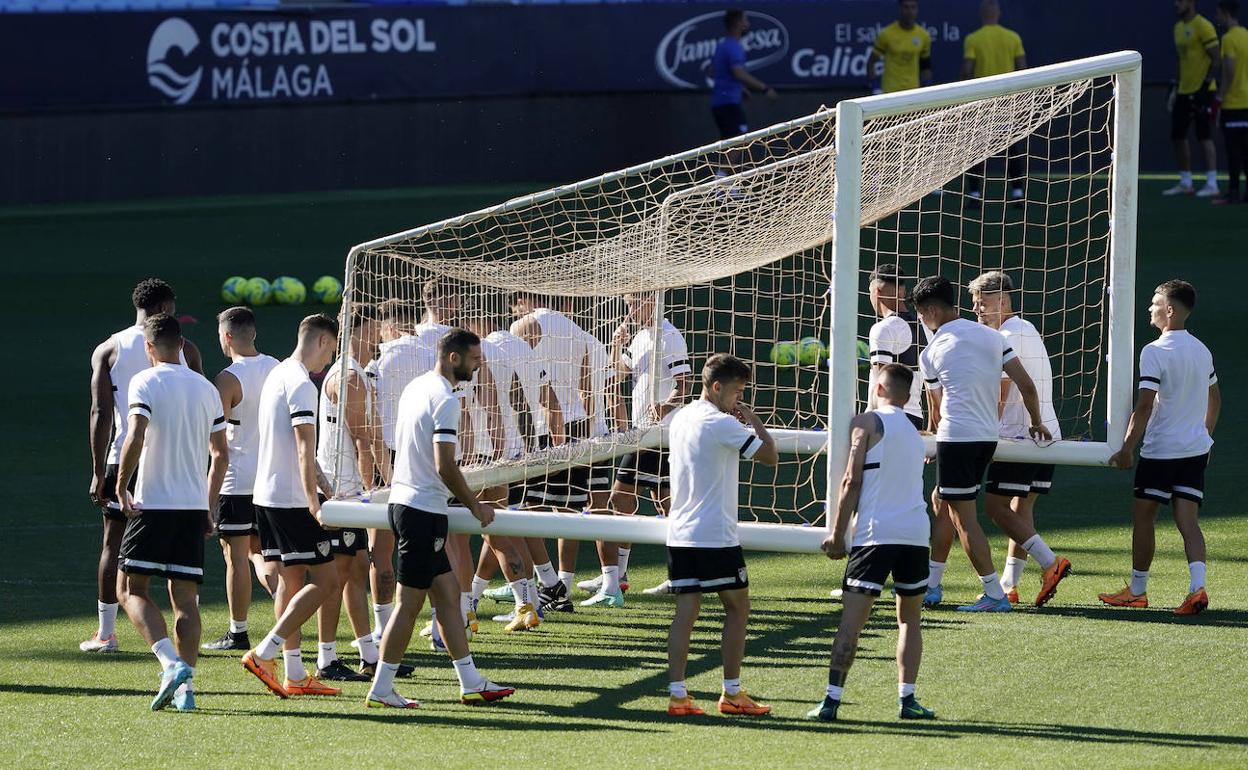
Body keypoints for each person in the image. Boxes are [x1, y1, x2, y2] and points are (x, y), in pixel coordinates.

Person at [365, 329, 515, 709]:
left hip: (411, 506)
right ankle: (382, 687)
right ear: (453, 357)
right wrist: (474, 507)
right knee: (409, 603)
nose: (479, 363)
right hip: (420, 511)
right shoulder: (446, 400)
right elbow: (444, 464)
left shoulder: (418, 387)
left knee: (449, 595)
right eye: (474, 358)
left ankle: (470, 681)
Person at [911, 276, 1051, 613]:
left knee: (963, 519)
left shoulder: (931, 352)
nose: (920, 321)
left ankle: (994, 593)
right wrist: (1036, 422)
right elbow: (1027, 386)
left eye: (919, 314)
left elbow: (936, 409)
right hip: (988, 438)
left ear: (930, 310)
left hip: (957, 438)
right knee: (944, 503)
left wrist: (934, 443)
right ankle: (932, 585)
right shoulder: (992, 337)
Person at [808, 364, 934, 722]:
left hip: (875, 536)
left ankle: (832, 701)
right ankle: (907, 700)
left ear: (877, 388)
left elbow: (851, 479)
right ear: (907, 397)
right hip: (914, 535)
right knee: (909, 621)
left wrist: (836, 533)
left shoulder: (866, 422)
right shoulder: (913, 432)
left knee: (851, 623)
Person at [115, 314, 228, 711]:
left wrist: (121, 484)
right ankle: (187, 693)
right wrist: (208, 505)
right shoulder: (206, 388)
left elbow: (136, 433)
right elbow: (220, 455)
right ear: (182, 345)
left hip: (154, 504)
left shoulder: (145, 381)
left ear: (149, 347)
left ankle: (169, 664)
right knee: (186, 601)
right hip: (192, 507)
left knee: (129, 589)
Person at [84, 278, 202, 653]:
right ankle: (186, 635)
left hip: (125, 459)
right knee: (182, 552)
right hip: (177, 462)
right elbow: (197, 404)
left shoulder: (109, 348)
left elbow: (101, 412)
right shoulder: (188, 350)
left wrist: (97, 469)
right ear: (166, 310)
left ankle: (106, 634)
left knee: (112, 543)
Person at [665, 354, 777, 718]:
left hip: (680, 533)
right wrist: (754, 420)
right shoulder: (721, 423)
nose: (739, 400)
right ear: (717, 387)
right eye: (738, 392)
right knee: (738, 607)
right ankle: (731, 693)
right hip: (715, 535)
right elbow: (770, 456)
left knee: (686, 611)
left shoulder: (681, 417)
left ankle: (678, 695)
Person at [1100, 280, 1218, 616]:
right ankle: (1197, 588)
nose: (1150, 308)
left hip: (1161, 451)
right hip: (1194, 450)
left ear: (1170, 310)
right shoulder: (1201, 349)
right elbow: (1216, 398)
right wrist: (1204, 435)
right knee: (1188, 520)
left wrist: (1125, 448)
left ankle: (1137, 589)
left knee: (1143, 516)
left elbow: (1145, 406)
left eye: (1155, 303)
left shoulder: (1154, 351)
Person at [241, 314, 343, 699]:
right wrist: (315, 503)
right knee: (327, 581)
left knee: (290, 579)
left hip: (266, 496)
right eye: (330, 352)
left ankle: (295, 673)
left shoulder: (278, 374)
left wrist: (325, 484)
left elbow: (295, 446)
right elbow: (303, 447)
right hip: (290, 500)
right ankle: (265, 653)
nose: (328, 362)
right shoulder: (302, 383)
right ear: (320, 342)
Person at [968, 272, 1072, 606]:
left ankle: (1050, 562)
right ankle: (1010, 585)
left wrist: (981, 432)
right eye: (973, 303)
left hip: (1020, 436)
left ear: (1001, 301)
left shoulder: (1004, 337)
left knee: (995, 507)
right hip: (1047, 434)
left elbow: (1000, 394)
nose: (977, 310)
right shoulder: (1027, 328)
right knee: (1020, 508)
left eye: (981, 303)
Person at [580, 292, 692, 598]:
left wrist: (666, 406)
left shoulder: (669, 336)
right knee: (659, 503)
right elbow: (619, 373)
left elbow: (685, 383)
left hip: (661, 435)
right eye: (628, 304)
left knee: (622, 498)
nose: (630, 309)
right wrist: (617, 345)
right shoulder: (641, 337)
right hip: (644, 433)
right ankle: (627, 575)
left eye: (634, 303)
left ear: (651, 301)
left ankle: (623, 577)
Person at [314, 305, 388, 682]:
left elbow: (370, 435)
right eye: (376, 329)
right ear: (361, 330)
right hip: (341, 492)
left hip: (349, 490)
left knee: (356, 568)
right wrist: (373, 492)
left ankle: (369, 655)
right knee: (338, 575)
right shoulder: (349, 377)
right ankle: (326, 659)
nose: (380, 336)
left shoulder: (358, 374)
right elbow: (363, 437)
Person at [203, 307, 281, 652]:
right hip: (272, 478)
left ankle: (238, 632)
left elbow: (215, 438)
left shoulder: (227, 378)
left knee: (234, 554)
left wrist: (206, 499)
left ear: (228, 336)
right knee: (261, 551)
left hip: (236, 481)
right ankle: (287, 613)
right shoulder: (278, 368)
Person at [510, 292, 591, 613]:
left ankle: (540, 590)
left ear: (527, 300)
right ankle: (557, 586)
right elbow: (588, 385)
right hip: (578, 427)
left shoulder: (523, 327)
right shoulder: (580, 332)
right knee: (566, 512)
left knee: (524, 512)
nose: (514, 310)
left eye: (516, 303)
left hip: (543, 431)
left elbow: (542, 394)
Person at [961, 0, 1028, 203]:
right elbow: (1024, 70)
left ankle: (974, 193)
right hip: (1008, 103)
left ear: (983, 14)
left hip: (983, 103)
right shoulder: (1012, 37)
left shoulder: (973, 39)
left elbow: (966, 71)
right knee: (1012, 148)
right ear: (998, 13)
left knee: (976, 149)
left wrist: (965, 97)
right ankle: (1017, 191)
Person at [1165, 0, 1222, 197]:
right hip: (1183, 91)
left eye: (1180, 1)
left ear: (1191, 3)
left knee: (1204, 135)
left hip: (1203, 91)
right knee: (1178, 136)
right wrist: (1175, 86)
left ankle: (1212, 183)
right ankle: (1185, 182)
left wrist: (1206, 86)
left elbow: (1216, 58)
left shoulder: (1204, 25)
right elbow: (1182, 60)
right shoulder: (1178, 28)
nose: (1176, 5)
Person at [865, 265, 928, 429]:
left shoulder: (883, 328)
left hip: (887, 420)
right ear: (902, 291)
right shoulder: (926, 327)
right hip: (916, 420)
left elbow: (883, 386)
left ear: (876, 292)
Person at [709, 9, 778, 141]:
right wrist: (765, 89)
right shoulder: (734, 47)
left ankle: (726, 163)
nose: (748, 24)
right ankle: (725, 163)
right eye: (745, 20)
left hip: (719, 104)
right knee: (739, 141)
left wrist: (739, 88)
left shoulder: (722, 46)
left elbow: (713, 71)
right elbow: (738, 73)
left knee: (730, 144)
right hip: (728, 104)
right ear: (737, 23)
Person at [1216, 0, 1248, 204]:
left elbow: (1228, 71)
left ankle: (1234, 193)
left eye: (1218, 13)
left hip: (1233, 104)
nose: (1217, 18)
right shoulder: (1246, 36)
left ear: (1226, 13)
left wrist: (1219, 98)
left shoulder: (1228, 39)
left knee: (1233, 151)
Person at [866, 0, 932, 95]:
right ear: (900, 9)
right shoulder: (886, 34)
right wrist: (874, 87)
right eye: (906, 7)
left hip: (913, 92)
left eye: (913, 7)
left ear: (917, 10)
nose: (910, 11)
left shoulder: (923, 36)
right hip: (889, 92)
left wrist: (926, 89)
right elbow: (871, 62)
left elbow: (926, 67)